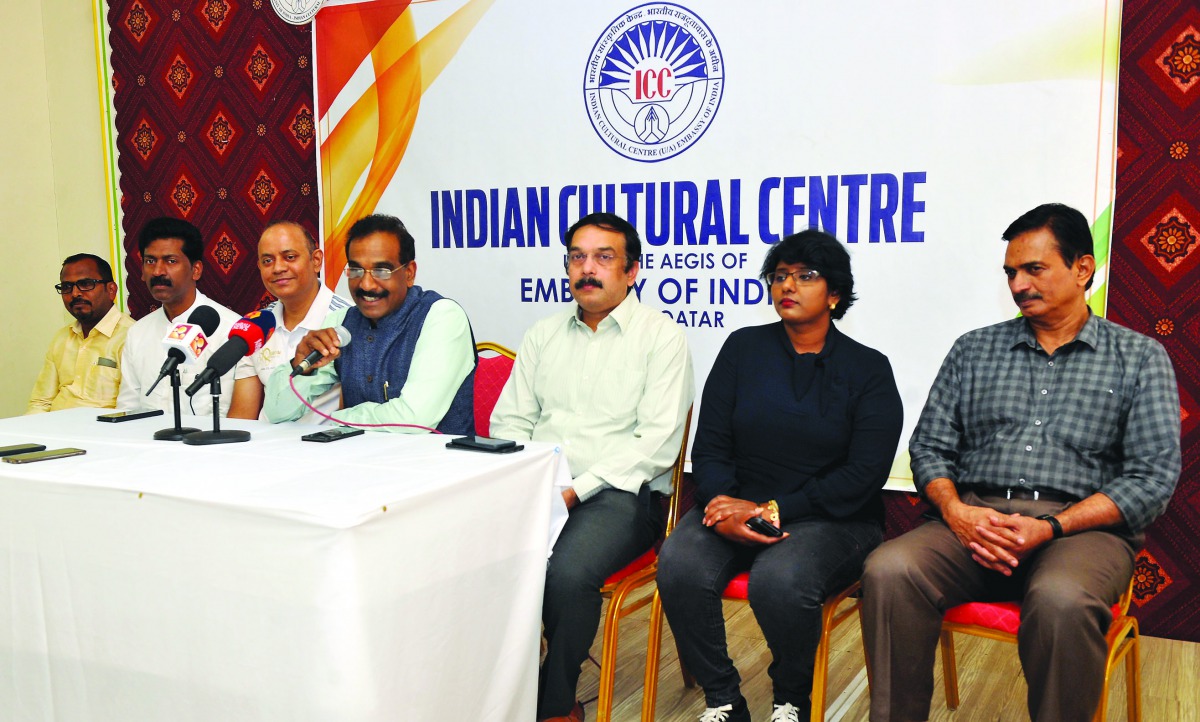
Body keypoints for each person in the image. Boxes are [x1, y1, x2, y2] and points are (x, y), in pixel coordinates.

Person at [861, 203, 1181, 722]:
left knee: (1061, 600)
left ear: (1082, 269)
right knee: (889, 569)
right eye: (1011, 272)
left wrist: (1051, 526)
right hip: (974, 519)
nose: (1018, 284)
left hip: (1080, 531)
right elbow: (930, 448)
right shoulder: (973, 350)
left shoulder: (1140, 358)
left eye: (1034, 269)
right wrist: (958, 513)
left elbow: (1151, 480)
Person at [656, 231, 903, 722]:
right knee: (679, 563)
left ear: (834, 294)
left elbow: (864, 473)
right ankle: (724, 698)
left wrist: (775, 510)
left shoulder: (868, 369)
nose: (788, 285)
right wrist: (722, 504)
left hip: (832, 517)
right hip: (735, 506)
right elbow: (710, 447)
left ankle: (790, 698)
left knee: (781, 579)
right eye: (780, 275)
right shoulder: (743, 348)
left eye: (805, 276)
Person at [489, 212, 694, 722]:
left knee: (567, 575)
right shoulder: (542, 334)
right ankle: (486, 686)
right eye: (577, 257)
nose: (588, 269)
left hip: (623, 494)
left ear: (633, 271)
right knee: (471, 557)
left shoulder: (661, 338)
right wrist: (524, 481)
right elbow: (510, 419)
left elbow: (655, 443)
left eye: (604, 258)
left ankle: (553, 704)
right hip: (540, 485)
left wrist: (576, 490)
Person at [263, 214, 476, 433]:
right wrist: (301, 366)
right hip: (362, 462)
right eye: (355, 270)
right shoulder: (342, 322)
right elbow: (278, 412)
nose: (366, 284)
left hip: (440, 463)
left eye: (381, 271)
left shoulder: (441, 316)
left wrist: (335, 420)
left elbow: (415, 418)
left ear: (409, 273)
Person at [116, 217, 253, 416]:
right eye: (150, 261)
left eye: (171, 261)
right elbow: (128, 409)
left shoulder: (232, 331)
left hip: (209, 443)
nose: (158, 271)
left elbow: (234, 418)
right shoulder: (138, 332)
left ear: (195, 270)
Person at [228, 221, 350, 421]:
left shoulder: (348, 321)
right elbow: (242, 417)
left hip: (326, 447)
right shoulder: (255, 327)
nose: (278, 268)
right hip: (264, 448)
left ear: (316, 260)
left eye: (290, 257)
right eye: (267, 261)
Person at [27, 253, 136, 413]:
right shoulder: (62, 338)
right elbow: (40, 402)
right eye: (66, 287)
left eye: (86, 284)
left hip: (101, 434)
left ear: (111, 290)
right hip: (54, 430)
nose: (75, 293)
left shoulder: (131, 337)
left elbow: (131, 411)